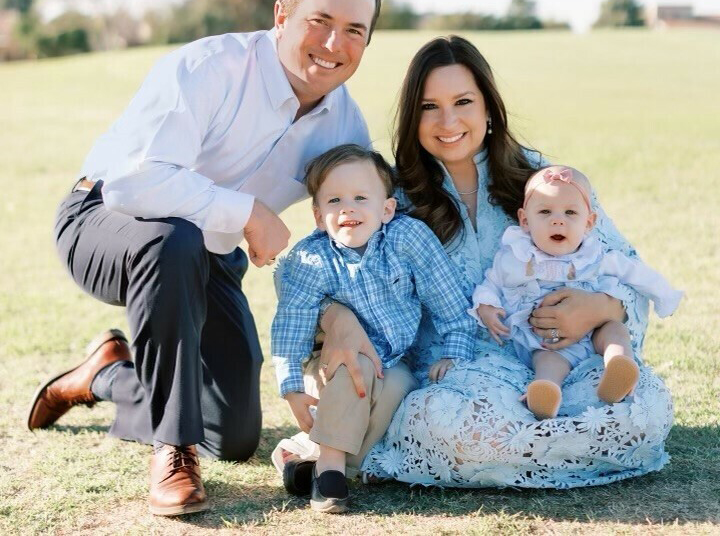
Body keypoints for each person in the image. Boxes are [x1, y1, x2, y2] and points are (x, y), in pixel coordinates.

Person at [27, 0, 383, 516]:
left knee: (234, 433)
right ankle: (173, 449)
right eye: (320, 21)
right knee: (175, 240)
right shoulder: (209, 67)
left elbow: (371, 216)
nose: (334, 43)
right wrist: (248, 213)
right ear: (281, 15)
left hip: (207, 255)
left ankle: (108, 375)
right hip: (105, 222)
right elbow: (133, 185)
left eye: (354, 31)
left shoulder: (345, 125)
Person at [316, 35, 674, 488]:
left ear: (488, 108)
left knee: (644, 409)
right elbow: (326, 266)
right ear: (413, 117)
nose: (448, 121)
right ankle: (516, 446)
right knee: (451, 426)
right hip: (459, 374)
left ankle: (522, 444)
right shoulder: (391, 195)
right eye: (429, 107)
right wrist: (337, 316)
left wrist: (602, 308)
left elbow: (625, 269)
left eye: (463, 101)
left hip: (563, 359)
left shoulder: (546, 181)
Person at [272, 144, 476, 512]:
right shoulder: (310, 257)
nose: (347, 208)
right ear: (319, 216)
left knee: (399, 384)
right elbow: (292, 323)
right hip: (330, 356)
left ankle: (318, 465)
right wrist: (291, 387)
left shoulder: (408, 238)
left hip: (392, 358)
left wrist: (454, 348)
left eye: (360, 198)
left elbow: (446, 295)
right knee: (359, 368)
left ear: (387, 209)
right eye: (334, 200)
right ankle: (332, 469)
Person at [471, 165, 682, 419]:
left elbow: (637, 273)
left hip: (594, 329)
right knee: (546, 361)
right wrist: (486, 306)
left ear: (589, 222)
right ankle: (546, 390)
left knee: (615, 331)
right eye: (545, 211)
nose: (557, 220)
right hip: (547, 340)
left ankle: (619, 364)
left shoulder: (595, 255)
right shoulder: (516, 257)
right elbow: (491, 282)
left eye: (570, 212)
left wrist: (666, 296)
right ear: (525, 220)